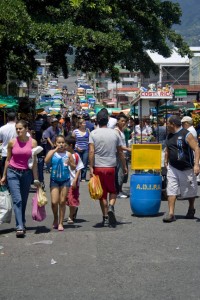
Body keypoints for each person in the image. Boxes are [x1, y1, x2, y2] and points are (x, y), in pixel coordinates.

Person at [0, 120, 40, 238]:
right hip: (13, 172)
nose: (18, 131)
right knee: (17, 200)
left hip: (26, 173)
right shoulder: (12, 142)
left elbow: (34, 162)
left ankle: (21, 221)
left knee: (23, 200)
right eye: (17, 129)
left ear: (26, 129)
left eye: (20, 128)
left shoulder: (33, 143)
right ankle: (20, 226)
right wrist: (4, 175)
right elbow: (8, 159)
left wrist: (36, 179)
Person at [89, 109, 127, 227]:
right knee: (114, 190)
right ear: (108, 120)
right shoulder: (115, 133)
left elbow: (91, 151)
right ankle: (111, 206)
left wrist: (90, 167)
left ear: (97, 121)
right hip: (112, 167)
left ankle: (105, 217)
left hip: (98, 167)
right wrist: (125, 166)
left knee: (102, 193)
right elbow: (120, 152)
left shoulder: (93, 133)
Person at [163, 115, 200, 222]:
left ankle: (191, 207)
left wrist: (196, 164)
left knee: (190, 191)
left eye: (168, 123)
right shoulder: (169, 135)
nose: (166, 125)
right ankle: (171, 214)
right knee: (171, 189)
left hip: (186, 168)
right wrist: (166, 160)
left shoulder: (186, 134)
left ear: (173, 124)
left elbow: (197, 148)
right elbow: (168, 149)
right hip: (173, 167)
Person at [45, 135, 76, 231]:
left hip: (65, 180)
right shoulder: (52, 152)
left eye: (63, 142)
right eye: (59, 142)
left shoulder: (68, 154)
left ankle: (61, 222)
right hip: (54, 180)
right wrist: (54, 150)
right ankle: (55, 218)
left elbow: (74, 167)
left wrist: (70, 163)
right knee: (54, 202)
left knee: (62, 201)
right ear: (55, 143)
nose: (61, 144)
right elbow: (46, 161)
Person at [65, 136, 84, 224]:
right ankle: (74, 210)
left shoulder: (76, 155)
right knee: (66, 199)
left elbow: (79, 168)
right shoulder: (63, 154)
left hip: (73, 180)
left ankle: (70, 216)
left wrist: (75, 181)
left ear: (71, 145)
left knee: (72, 198)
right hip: (64, 180)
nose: (63, 146)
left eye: (65, 144)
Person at [114, 113, 131, 198]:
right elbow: (119, 147)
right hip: (119, 155)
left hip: (123, 154)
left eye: (125, 121)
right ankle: (118, 192)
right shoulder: (116, 131)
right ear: (118, 121)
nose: (124, 122)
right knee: (120, 173)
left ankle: (120, 190)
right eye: (122, 121)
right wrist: (128, 149)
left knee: (124, 173)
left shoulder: (122, 131)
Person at [0, 112, 17, 176]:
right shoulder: (19, 128)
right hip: (16, 153)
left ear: (7, 118)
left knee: (4, 172)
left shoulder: (2, 128)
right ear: (15, 118)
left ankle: (4, 185)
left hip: (5, 153)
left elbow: (0, 140)